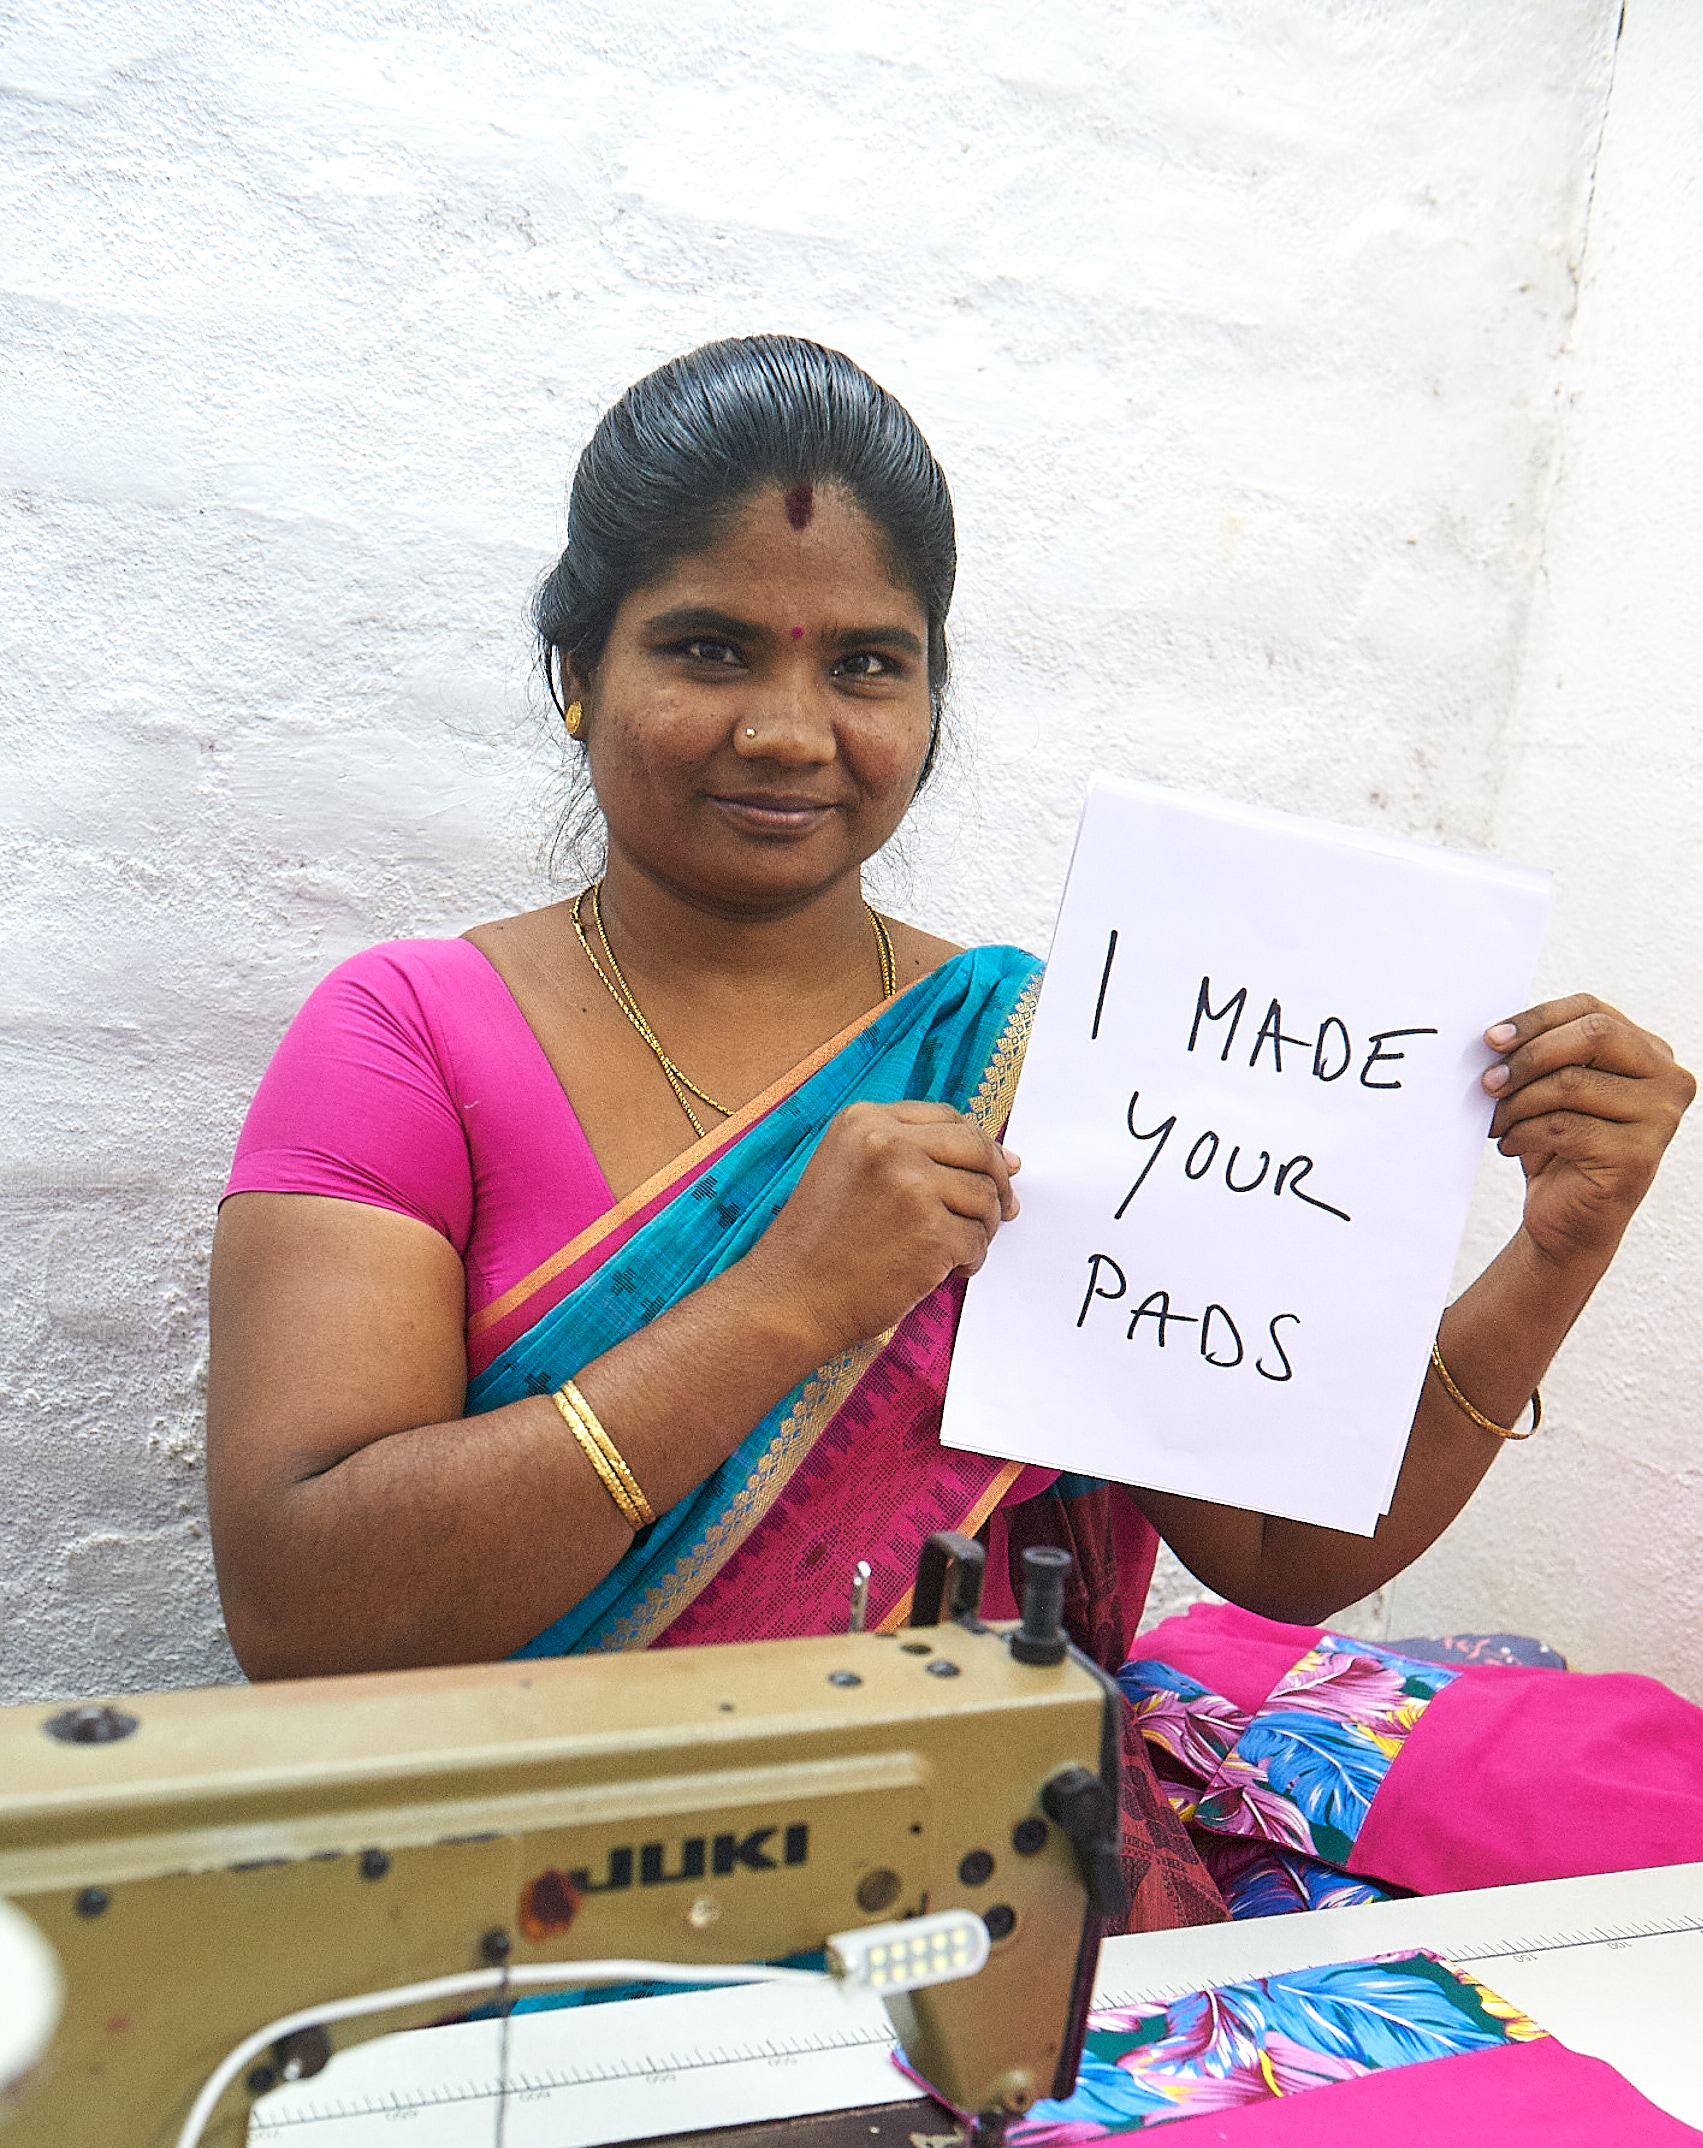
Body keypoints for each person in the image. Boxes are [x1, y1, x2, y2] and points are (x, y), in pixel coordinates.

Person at [208, 334, 1693, 1744]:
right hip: (522, 1877)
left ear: (930, 696)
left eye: (866, 663)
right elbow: (306, 1617)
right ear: (577, 672)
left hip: (974, 1862)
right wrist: (785, 1304)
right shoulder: (405, 1038)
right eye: (710, 649)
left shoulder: (1046, 1057)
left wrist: (1559, 1247)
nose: (792, 732)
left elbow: (1279, 1552)